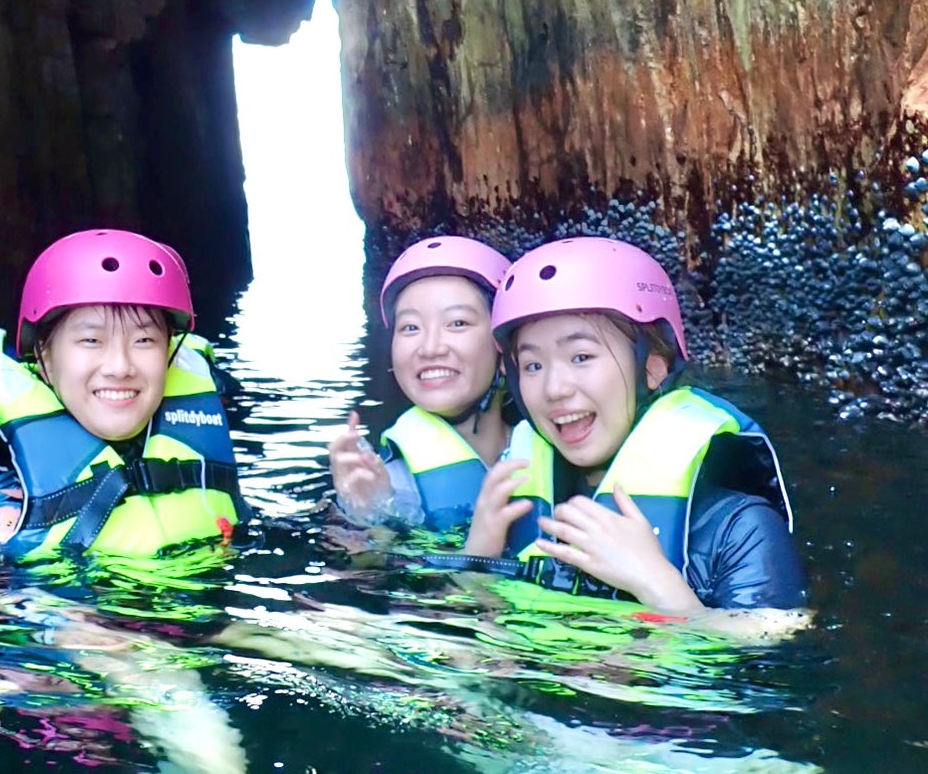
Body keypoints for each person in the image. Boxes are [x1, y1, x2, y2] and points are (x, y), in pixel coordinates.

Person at [465, 236, 807, 612]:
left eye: (581, 356)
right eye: (532, 365)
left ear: (651, 367)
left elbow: (771, 651)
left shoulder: (739, 527)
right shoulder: (512, 507)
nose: (553, 389)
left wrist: (657, 584)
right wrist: (477, 557)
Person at [0, 229, 247, 561]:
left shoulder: (206, 468)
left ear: (170, 352)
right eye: (91, 340)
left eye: (144, 340)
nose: (120, 367)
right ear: (43, 354)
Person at [327, 236, 511, 534]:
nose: (429, 348)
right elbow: (360, 573)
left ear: (505, 348)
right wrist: (366, 516)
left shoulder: (561, 454)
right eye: (410, 327)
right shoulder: (389, 485)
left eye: (457, 323)